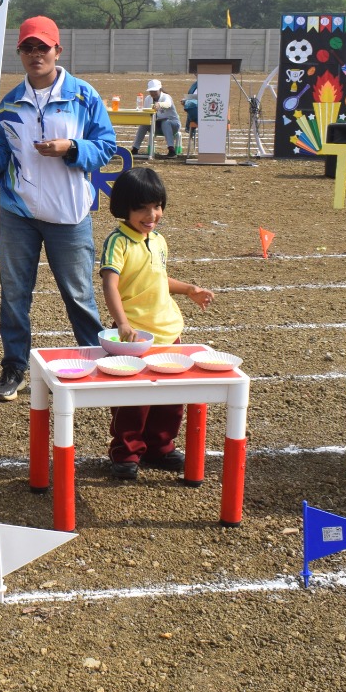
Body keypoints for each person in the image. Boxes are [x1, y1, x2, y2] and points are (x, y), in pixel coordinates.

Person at [0, 16, 118, 402]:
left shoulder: (84, 96)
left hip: (70, 214)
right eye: (28, 48)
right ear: (19, 53)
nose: (36, 55)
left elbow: (107, 147)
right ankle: (14, 366)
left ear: (57, 51)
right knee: (15, 293)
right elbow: (5, 168)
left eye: (43, 48)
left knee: (79, 294)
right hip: (18, 214)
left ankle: (96, 360)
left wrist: (72, 148)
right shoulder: (9, 105)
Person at [100, 168, 214, 479]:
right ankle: (126, 453)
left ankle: (160, 447)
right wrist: (122, 323)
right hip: (136, 336)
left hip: (169, 332)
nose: (152, 215)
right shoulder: (118, 242)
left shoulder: (158, 240)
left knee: (170, 397)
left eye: (157, 206)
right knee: (133, 400)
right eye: (142, 208)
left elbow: (158, 278)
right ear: (124, 208)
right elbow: (110, 284)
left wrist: (190, 289)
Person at [130, 79, 179, 158]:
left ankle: (171, 150)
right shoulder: (148, 99)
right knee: (144, 124)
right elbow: (146, 113)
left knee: (165, 122)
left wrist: (159, 104)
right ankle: (135, 148)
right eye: (151, 91)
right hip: (156, 125)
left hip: (172, 125)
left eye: (154, 91)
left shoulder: (166, 97)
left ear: (159, 89)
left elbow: (168, 104)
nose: (153, 93)